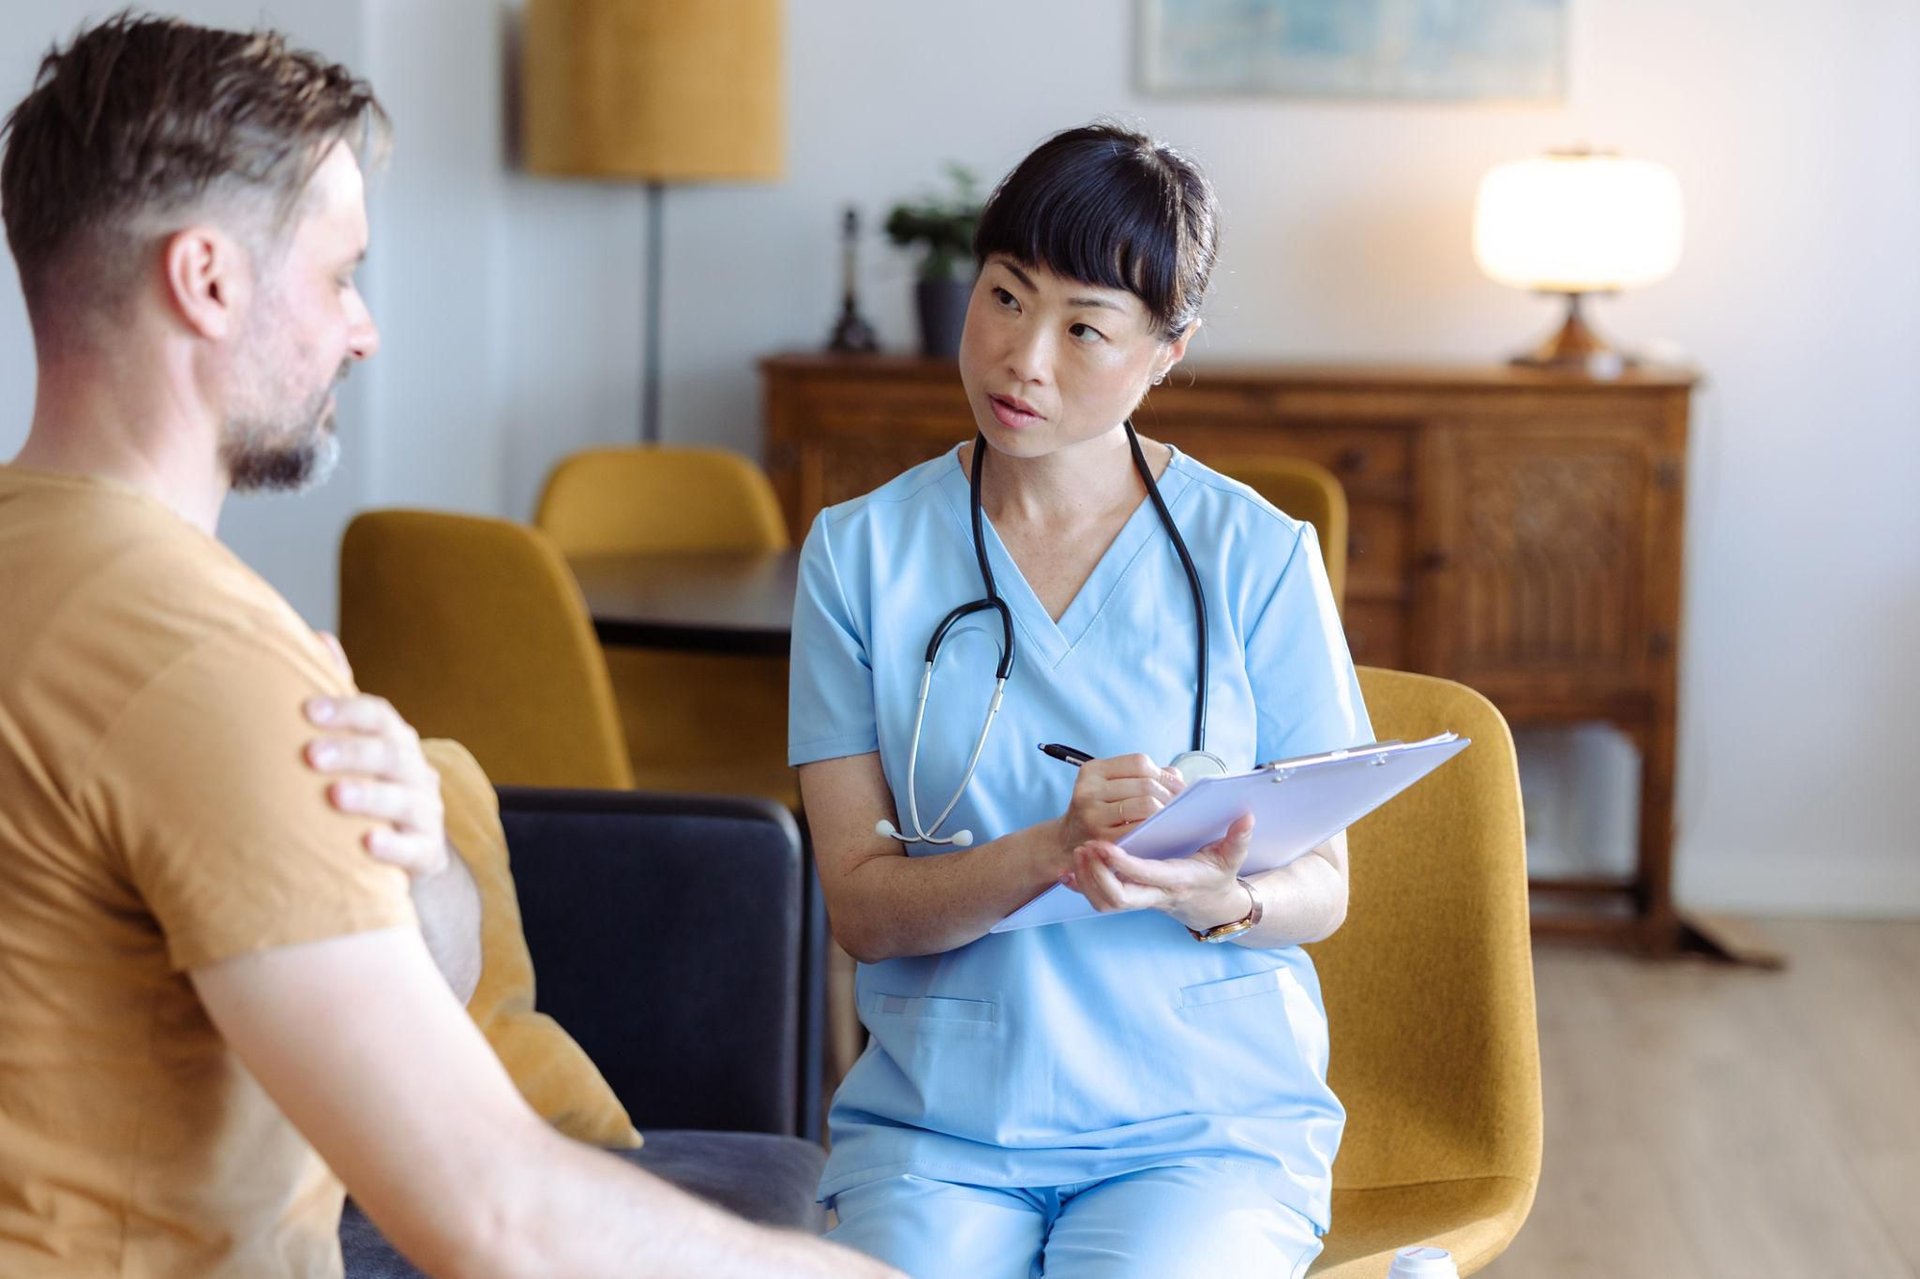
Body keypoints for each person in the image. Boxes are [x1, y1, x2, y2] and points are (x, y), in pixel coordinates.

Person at [0, 15, 895, 1279]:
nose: (362, 331)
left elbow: (394, 992)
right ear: (206, 281)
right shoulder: (198, 665)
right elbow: (500, 1217)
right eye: (337, 274)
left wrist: (416, 855)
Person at [790, 122, 1372, 1278]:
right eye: (1006, 296)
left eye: (1085, 327)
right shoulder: (857, 555)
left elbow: (1326, 889)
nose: (1025, 357)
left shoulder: (1258, 555)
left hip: (1202, 1129)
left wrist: (1222, 898)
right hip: (943, 1126)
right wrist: (1054, 849)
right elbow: (859, 909)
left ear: (1168, 350)